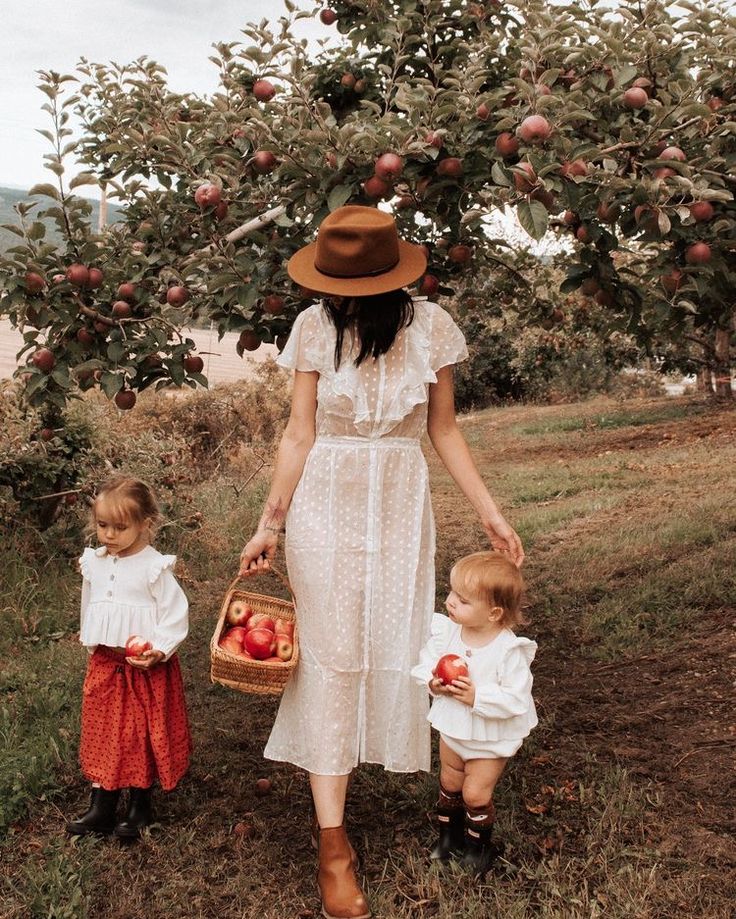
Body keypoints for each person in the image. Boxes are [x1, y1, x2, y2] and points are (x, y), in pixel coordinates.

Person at [239, 205, 523, 919]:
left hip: (399, 503)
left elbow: (443, 427)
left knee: (396, 647)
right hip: (326, 502)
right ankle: (332, 842)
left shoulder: (431, 327)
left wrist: (490, 511)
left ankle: (447, 802)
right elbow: (299, 434)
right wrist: (269, 522)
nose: (341, 297)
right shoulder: (312, 327)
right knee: (328, 659)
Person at [66, 476, 191, 841]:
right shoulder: (95, 563)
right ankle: (102, 804)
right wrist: (91, 637)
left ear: (145, 524)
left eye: (120, 527)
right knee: (104, 732)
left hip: (143, 668)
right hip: (106, 664)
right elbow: (92, 603)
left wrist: (158, 650)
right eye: (103, 525)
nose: (109, 535)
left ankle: (140, 805)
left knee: (138, 733)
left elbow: (174, 613)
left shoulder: (153, 567)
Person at [411, 551, 537, 877]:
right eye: (452, 593)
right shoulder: (449, 632)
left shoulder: (507, 650)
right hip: (454, 729)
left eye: (463, 601)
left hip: (488, 737)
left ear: (494, 613)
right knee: (449, 780)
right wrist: (434, 682)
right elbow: (428, 660)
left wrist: (477, 696)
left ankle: (478, 848)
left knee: (474, 793)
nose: (451, 602)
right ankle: (448, 838)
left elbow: (516, 699)